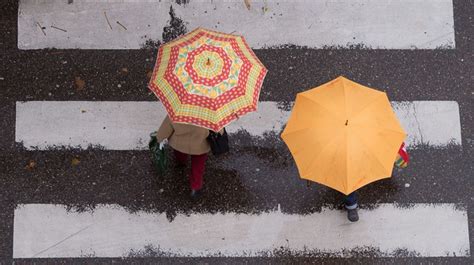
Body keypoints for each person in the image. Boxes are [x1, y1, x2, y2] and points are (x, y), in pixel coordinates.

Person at [155, 115, 213, 199]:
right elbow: (218, 130)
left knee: (180, 152)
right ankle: (195, 188)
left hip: (179, 142)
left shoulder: (178, 111)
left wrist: (159, 138)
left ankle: (181, 162)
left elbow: (166, 126)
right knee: (198, 166)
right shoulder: (209, 114)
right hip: (200, 144)